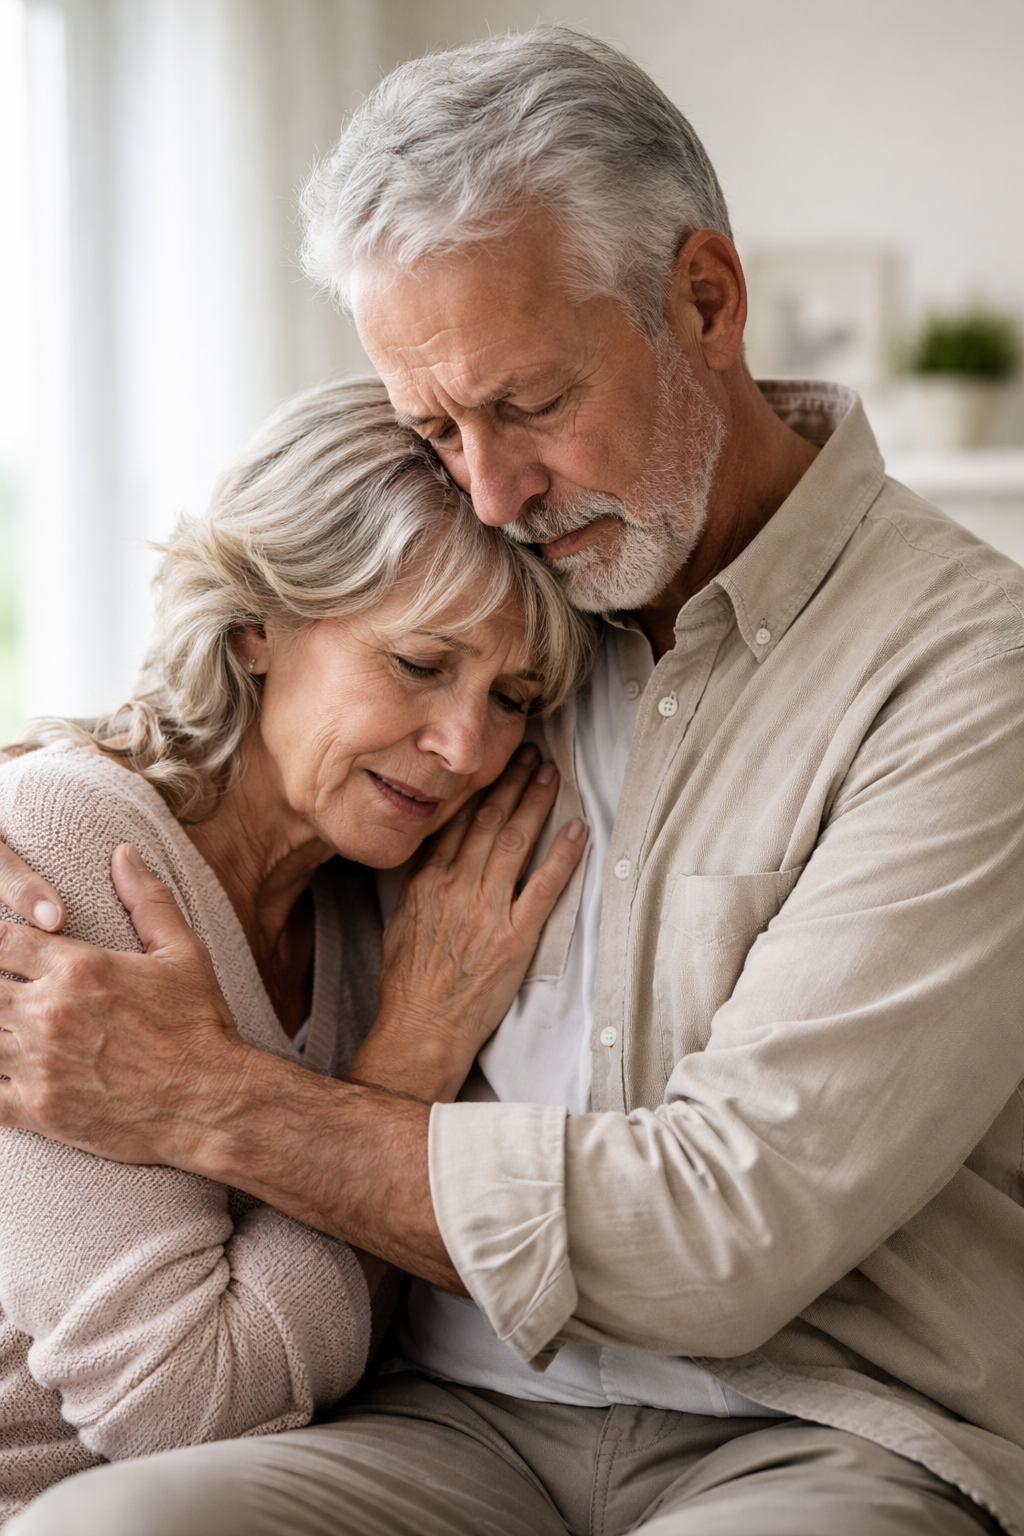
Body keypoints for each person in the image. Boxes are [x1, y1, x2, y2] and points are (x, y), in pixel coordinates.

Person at [1, 25, 1023, 1536]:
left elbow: (730, 1228)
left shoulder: (965, 672)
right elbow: (266, 728)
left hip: (816, 1424)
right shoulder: (529, 597)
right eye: (434, 427)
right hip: (441, 1412)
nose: (486, 492)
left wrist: (216, 1099)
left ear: (706, 299)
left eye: (528, 404)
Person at [0, 376, 592, 1525]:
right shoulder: (71, 849)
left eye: (513, 697)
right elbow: (187, 1405)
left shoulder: (371, 894)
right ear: (257, 624)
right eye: (420, 665)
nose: (466, 745)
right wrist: (411, 1053)